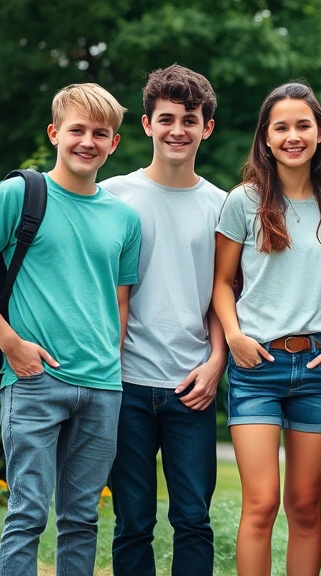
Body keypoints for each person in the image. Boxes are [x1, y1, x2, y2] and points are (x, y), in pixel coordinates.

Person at [0, 83, 141, 576]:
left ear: (114, 143)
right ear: (55, 133)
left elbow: (119, 301)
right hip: (34, 380)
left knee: (81, 519)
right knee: (28, 513)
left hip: (102, 387)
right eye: (77, 130)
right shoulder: (19, 194)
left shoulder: (124, 218)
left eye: (101, 133)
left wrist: (110, 365)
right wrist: (11, 344)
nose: (87, 142)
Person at [212, 82, 321, 576]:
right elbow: (221, 284)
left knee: (304, 506)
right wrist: (234, 337)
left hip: (317, 366)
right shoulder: (242, 202)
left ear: (320, 133)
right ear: (266, 139)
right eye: (282, 127)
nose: (293, 136)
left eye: (302, 125)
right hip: (257, 365)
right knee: (261, 504)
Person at [101, 64, 226, 576]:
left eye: (190, 119)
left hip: (190, 383)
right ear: (147, 124)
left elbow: (226, 295)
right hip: (125, 382)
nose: (178, 130)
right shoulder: (112, 196)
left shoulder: (223, 206)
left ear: (207, 127)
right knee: (132, 520)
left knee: (194, 518)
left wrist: (216, 361)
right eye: (167, 118)